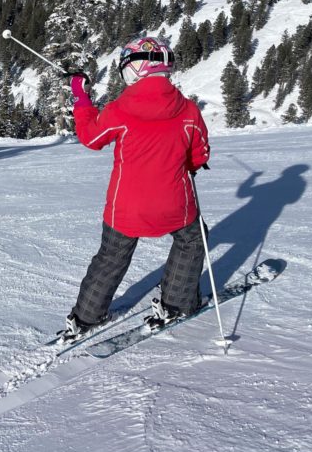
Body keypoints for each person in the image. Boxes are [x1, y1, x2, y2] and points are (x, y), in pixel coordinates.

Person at [60, 36, 211, 341]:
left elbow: (91, 138)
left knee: (112, 255)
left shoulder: (120, 110)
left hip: (125, 206)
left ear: (132, 71)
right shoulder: (188, 110)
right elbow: (200, 154)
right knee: (193, 241)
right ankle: (177, 303)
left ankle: (87, 317)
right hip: (175, 203)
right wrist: (189, 164)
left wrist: (81, 98)